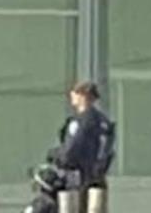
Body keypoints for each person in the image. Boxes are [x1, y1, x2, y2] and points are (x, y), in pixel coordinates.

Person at [24, 81, 116, 213]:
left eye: (74, 93)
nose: (71, 96)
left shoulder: (82, 121)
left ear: (82, 95)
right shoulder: (104, 123)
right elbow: (108, 153)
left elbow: (70, 153)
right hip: (97, 182)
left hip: (77, 182)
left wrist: (54, 155)